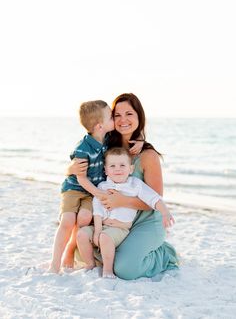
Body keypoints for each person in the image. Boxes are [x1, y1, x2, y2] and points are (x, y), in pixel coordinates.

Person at [68, 93, 179, 280]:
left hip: (145, 221)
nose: (123, 120)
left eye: (129, 114)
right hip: (113, 221)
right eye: (117, 115)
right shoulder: (105, 146)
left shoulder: (147, 155)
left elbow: (155, 198)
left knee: (125, 270)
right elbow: (81, 159)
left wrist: (121, 201)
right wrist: (71, 168)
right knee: (85, 248)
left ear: (139, 117)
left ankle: (165, 253)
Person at [77, 147, 174, 278]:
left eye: (122, 165)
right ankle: (90, 264)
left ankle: (108, 270)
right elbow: (98, 211)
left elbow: (153, 198)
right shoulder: (102, 186)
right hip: (102, 226)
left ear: (131, 169)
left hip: (120, 229)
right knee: (81, 235)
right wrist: (97, 230)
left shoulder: (135, 185)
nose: (118, 169)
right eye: (112, 166)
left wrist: (165, 212)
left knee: (105, 238)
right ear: (105, 170)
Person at [48, 100, 114, 273]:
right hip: (74, 189)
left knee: (84, 218)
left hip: (90, 192)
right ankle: (55, 263)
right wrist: (99, 193)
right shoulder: (82, 149)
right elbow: (81, 178)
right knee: (68, 221)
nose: (114, 118)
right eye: (111, 116)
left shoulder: (107, 141)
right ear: (100, 126)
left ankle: (71, 247)